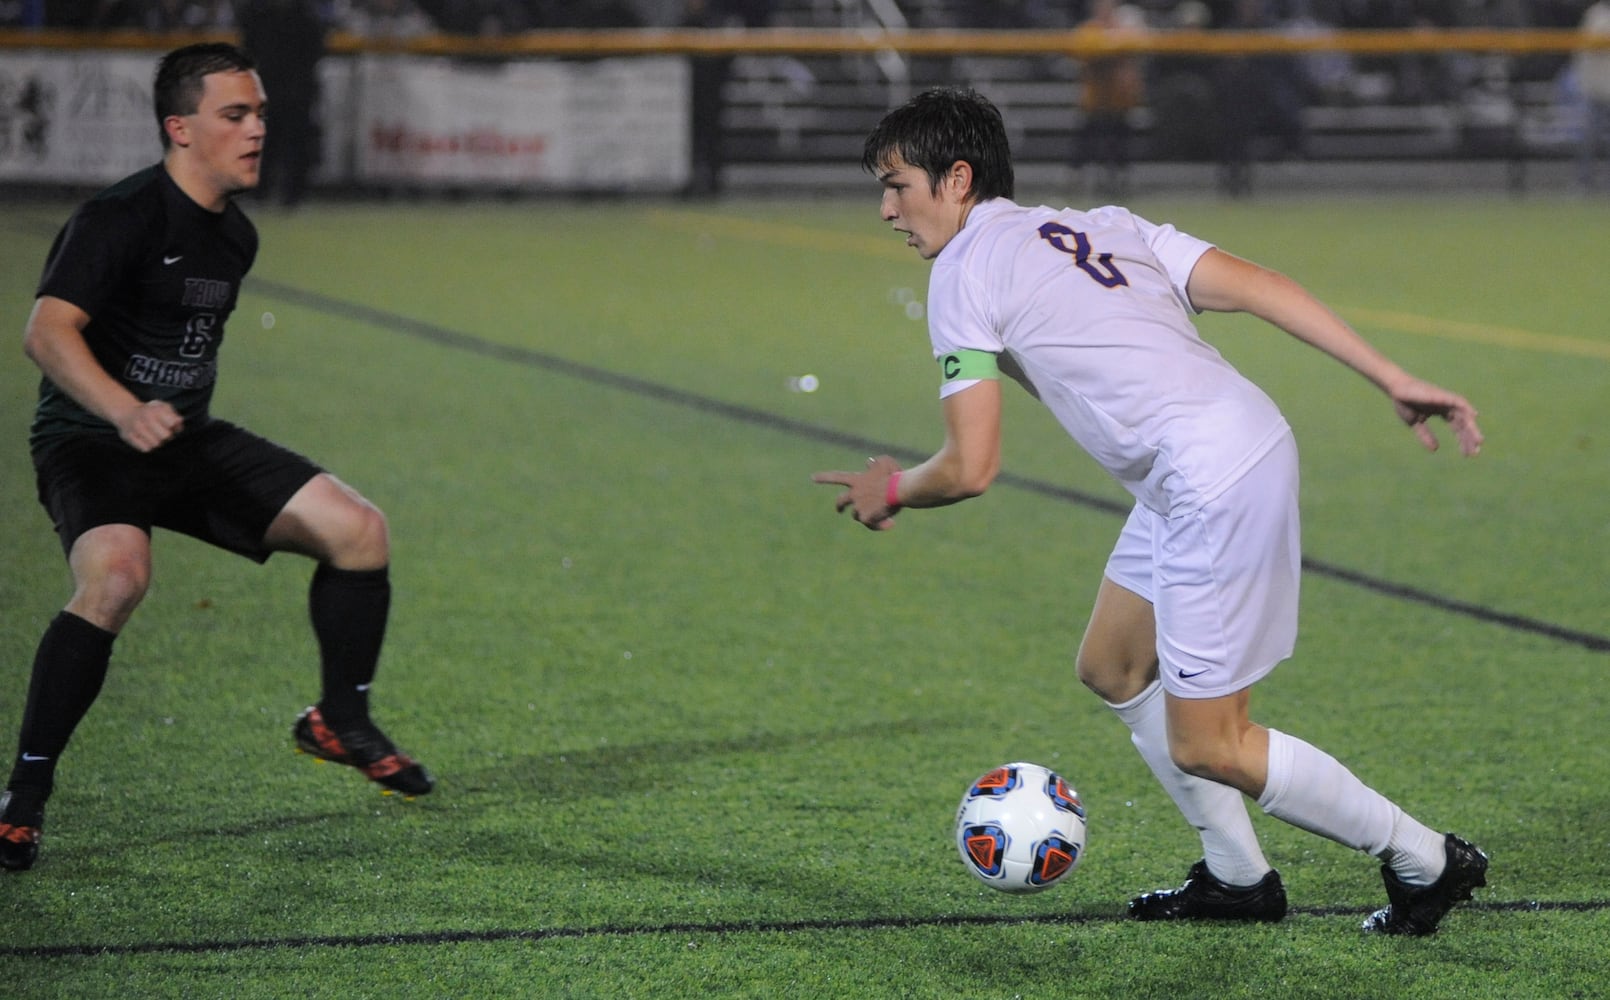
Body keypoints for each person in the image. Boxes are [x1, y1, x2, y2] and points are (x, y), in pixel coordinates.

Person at [813, 88, 1488, 935]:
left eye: (897, 184)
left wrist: (894, 489)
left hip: (1210, 476)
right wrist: (1389, 375)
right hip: (1222, 450)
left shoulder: (962, 272)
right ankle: (1238, 880)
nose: (886, 209)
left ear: (957, 178)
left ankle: (1426, 860)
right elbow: (1261, 285)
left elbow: (972, 465)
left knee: (1212, 741)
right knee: (1114, 665)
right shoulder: (1105, 225)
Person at [0, 43, 432, 874]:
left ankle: (338, 719)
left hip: (183, 442)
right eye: (235, 114)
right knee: (117, 579)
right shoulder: (118, 217)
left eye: (260, 113)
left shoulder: (235, 236)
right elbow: (45, 333)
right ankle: (24, 793)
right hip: (90, 443)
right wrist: (124, 410)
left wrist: (163, 422)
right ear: (180, 128)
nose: (256, 129)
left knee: (360, 531)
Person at [1577, 0, 1610, 190]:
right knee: (1589, 139)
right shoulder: (1595, 13)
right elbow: (1585, 46)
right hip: (1594, 88)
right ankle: (1584, 183)